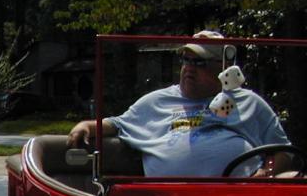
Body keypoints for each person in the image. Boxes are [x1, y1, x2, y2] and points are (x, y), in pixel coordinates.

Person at [67, 31, 291, 177]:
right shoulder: (158, 101)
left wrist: (265, 174)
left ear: (222, 68)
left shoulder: (248, 102)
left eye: (199, 62)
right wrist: (86, 126)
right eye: (186, 60)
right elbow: (117, 124)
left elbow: (284, 152)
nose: (189, 68)